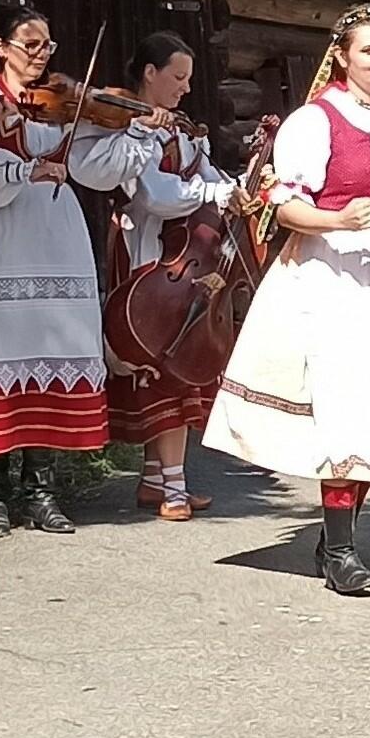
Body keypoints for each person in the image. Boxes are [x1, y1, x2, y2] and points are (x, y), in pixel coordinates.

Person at [202, 3, 370, 595]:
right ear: (342, 57)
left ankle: (335, 538)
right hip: (333, 270)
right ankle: (339, 549)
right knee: (345, 402)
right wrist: (337, 219)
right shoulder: (314, 122)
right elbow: (282, 205)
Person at [0, 8, 170, 538]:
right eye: (29, 44)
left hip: (55, 239)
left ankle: (41, 490)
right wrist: (21, 169)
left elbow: (94, 170)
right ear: (1, 47)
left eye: (47, 46)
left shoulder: (63, 108)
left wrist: (140, 132)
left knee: (52, 355)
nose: (39, 55)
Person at [107, 30, 257, 521]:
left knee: (179, 356)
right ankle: (173, 486)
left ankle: (157, 480)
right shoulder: (128, 125)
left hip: (180, 260)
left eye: (189, 78)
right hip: (146, 254)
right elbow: (154, 194)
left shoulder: (181, 128)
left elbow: (208, 176)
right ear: (149, 74)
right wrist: (210, 195)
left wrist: (234, 189)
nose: (185, 88)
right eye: (177, 77)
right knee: (161, 361)